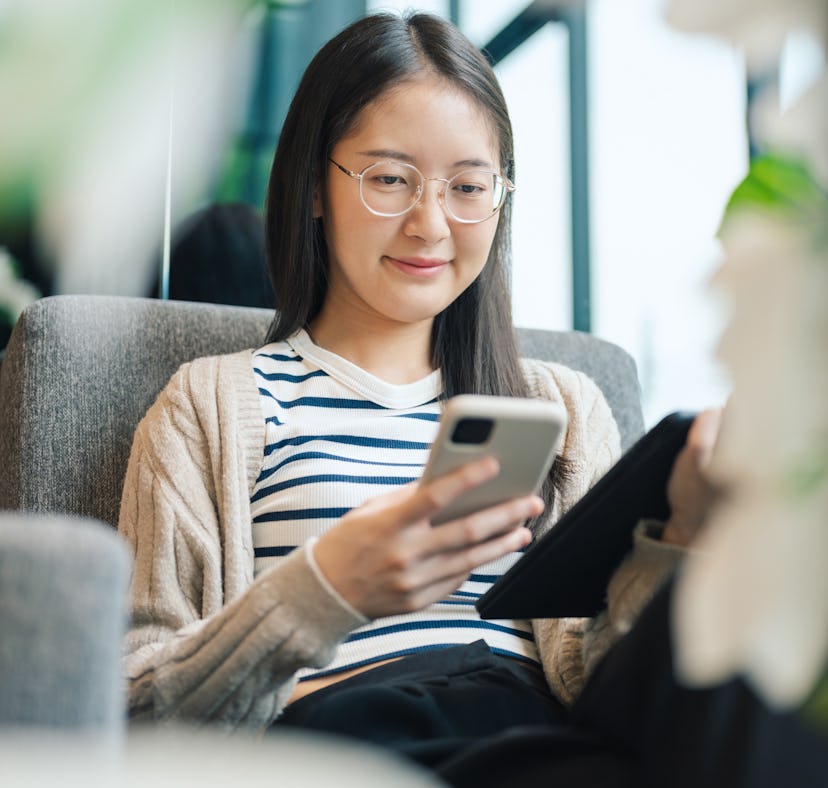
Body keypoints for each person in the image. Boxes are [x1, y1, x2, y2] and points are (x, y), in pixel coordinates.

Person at [118, 12, 826, 787]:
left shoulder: (563, 405)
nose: (429, 224)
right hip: (354, 739)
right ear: (315, 188)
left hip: (546, 731)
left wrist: (681, 534)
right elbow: (129, 710)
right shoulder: (213, 404)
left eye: (466, 187)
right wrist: (326, 590)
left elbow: (609, 677)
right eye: (389, 178)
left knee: (760, 682)